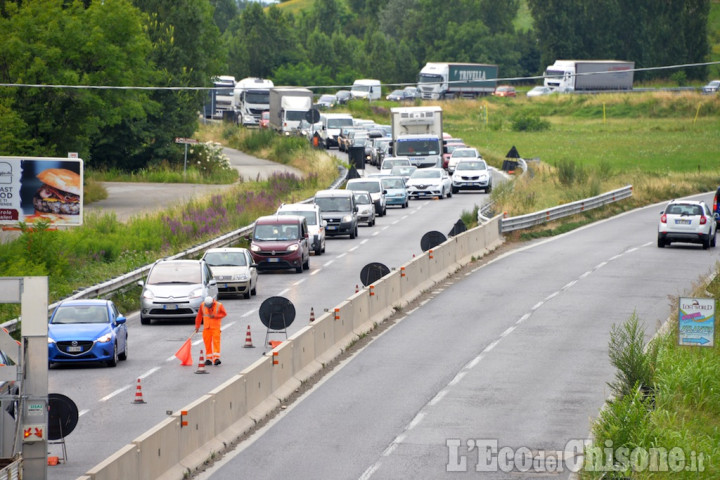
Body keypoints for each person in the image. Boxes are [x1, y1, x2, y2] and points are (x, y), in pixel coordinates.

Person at [194, 296, 227, 366]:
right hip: (206, 328)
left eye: (209, 306)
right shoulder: (203, 305)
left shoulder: (219, 305)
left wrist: (215, 316)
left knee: (216, 342)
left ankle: (216, 358)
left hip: (215, 328)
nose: (208, 307)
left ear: (212, 302)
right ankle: (209, 359)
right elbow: (199, 316)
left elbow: (224, 314)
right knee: (207, 344)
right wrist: (197, 326)